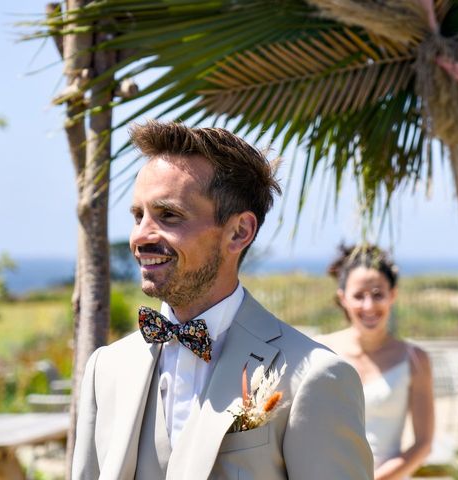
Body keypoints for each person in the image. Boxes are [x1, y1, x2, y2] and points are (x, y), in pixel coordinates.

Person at [72, 121, 373, 480]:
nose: (141, 236)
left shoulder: (313, 376)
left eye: (168, 215)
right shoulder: (106, 368)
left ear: (239, 232)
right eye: (139, 216)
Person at [318, 245, 434, 480]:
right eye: (359, 296)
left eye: (378, 294)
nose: (369, 306)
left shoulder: (415, 360)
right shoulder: (319, 351)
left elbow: (423, 444)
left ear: (393, 295)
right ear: (343, 299)